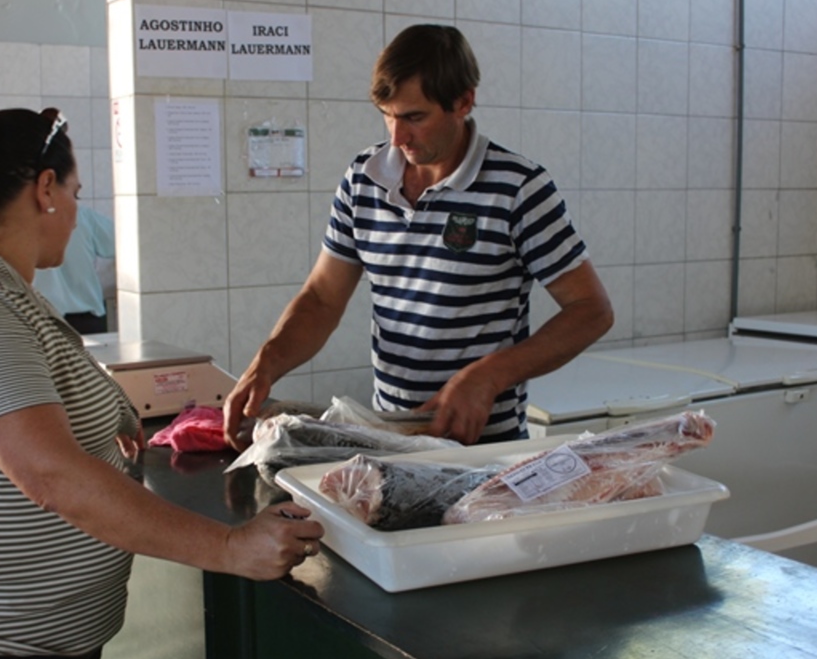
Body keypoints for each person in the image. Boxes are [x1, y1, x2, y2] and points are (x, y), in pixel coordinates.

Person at [0, 102, 323, 659]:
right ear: (45, 189)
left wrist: (108, 418)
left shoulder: (3, 290)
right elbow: (50, 474)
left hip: (32, 641)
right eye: (77, 193)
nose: (76, 209)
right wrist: (230, 547)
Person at [224, 24, 613, 449]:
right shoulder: (363, 179)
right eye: (387, 114)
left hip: (485, 449)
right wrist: (268, 361)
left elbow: (591, 310)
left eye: (414, 117)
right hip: (389, 436)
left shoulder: (519, 187)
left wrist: (489, 374)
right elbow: (322, 298)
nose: (397, 137)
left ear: (464, 101)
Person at [32, 204, 115, 334]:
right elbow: (127, 242)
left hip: (40, 319)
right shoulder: (83, 216)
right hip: (86, 318)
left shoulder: (15, 221)